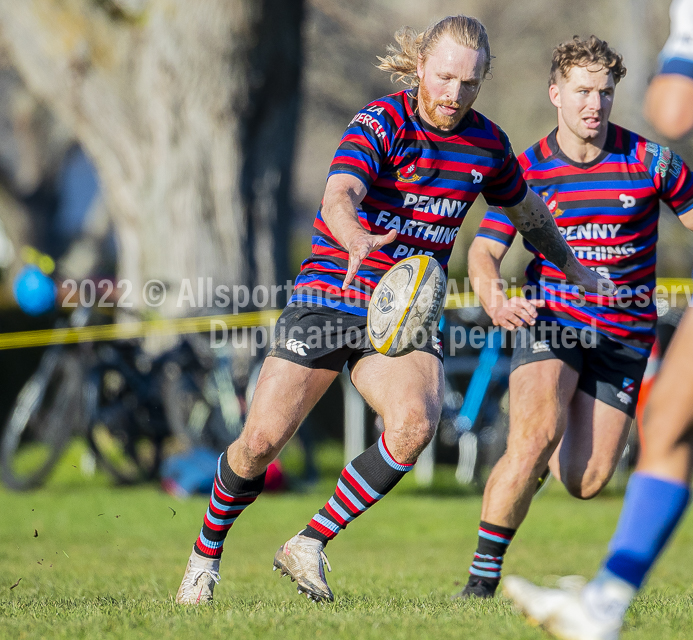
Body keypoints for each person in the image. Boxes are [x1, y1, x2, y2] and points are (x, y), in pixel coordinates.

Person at [175, 15, 609, 606]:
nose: (455, 94)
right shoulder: (381, 122)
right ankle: (206, 554)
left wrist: (575, 267)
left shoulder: (486, 143)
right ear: (421, 66)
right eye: (445, 77)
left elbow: (528, 211)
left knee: (413, 425)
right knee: (259, 443)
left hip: (403, 311)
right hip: (331, 295)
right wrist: (354, 237)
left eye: (470, 82)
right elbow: (339, 194)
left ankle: (309, 542)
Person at [503, 1, 693, 639]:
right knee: (667, 423)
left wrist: (679, 63)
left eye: (603, 92)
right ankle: (605, 605)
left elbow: (675, 109)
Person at [455, 35, 693, 599]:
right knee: (535, 434)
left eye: (605, 92)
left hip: (624, 334)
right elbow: (484, 252)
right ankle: (479, 585)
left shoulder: (649, 160)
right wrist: (494, 297)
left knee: (585, 481)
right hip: (552, 319)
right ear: (556, 94)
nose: (594, 104)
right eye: (583, 91)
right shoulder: (528, 170)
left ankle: (536, 463)